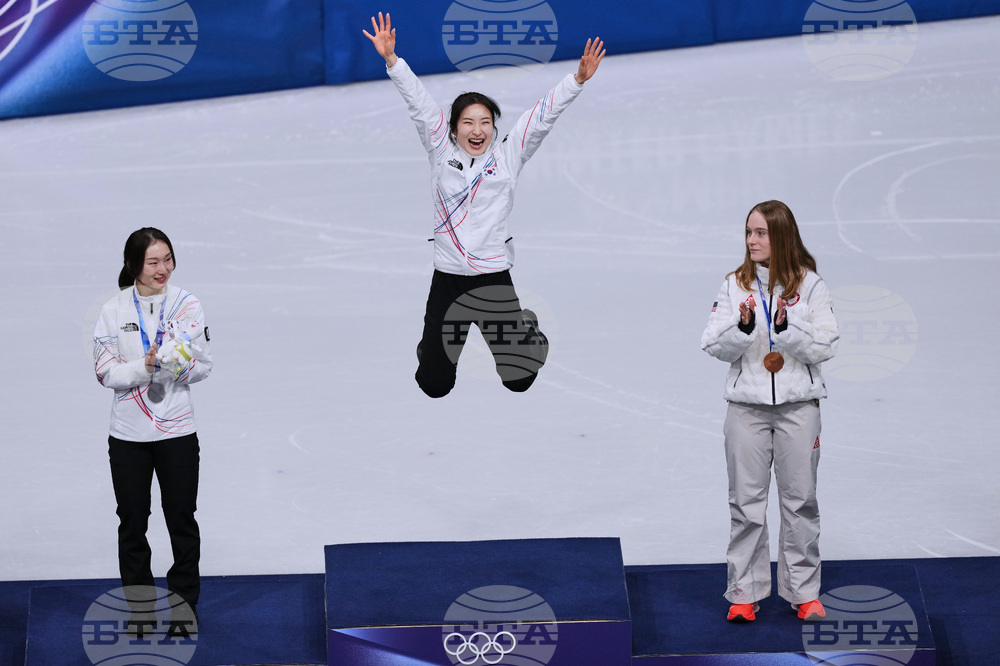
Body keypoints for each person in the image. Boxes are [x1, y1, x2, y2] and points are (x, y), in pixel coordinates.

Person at [363, 12, 605, 397]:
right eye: (468, 123)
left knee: (519, 379)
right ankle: (432, 350)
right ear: (455, 126)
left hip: (492, 280)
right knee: (434, 384)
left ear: (494, 126)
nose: (477, 130)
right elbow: (420, 105)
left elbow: (542, 116)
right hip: (449, 281)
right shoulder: (441, 152)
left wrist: (575, 81)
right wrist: (393, 62)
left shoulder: (508, 156)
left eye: (485, 122)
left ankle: (527, 327)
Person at [700, 201, 840, 623]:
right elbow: (712, 344)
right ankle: (745, 592)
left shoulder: (811, 286)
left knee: (800, 503)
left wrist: (787, 327)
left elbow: (826, 346)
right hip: (747, 410)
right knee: (746, 504)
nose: (752, 241)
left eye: (760, 233)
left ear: (781, 235)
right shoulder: (733, 285)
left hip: (799, 409)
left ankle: (804, 593)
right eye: (748, 233)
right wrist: (743, 329)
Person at [93, 227, 212, 633]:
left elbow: (204, 366)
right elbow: (105, 372)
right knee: (132, 521)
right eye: (153, 262)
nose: (163, 269)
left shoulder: (187, 305)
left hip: (177, 430)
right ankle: (140, 608)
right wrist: (144, 367)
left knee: (181, 518)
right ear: (133, 266)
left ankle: (184, 605)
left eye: (168, 259)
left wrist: (175, 364)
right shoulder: (113, 310)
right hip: (128, 435)